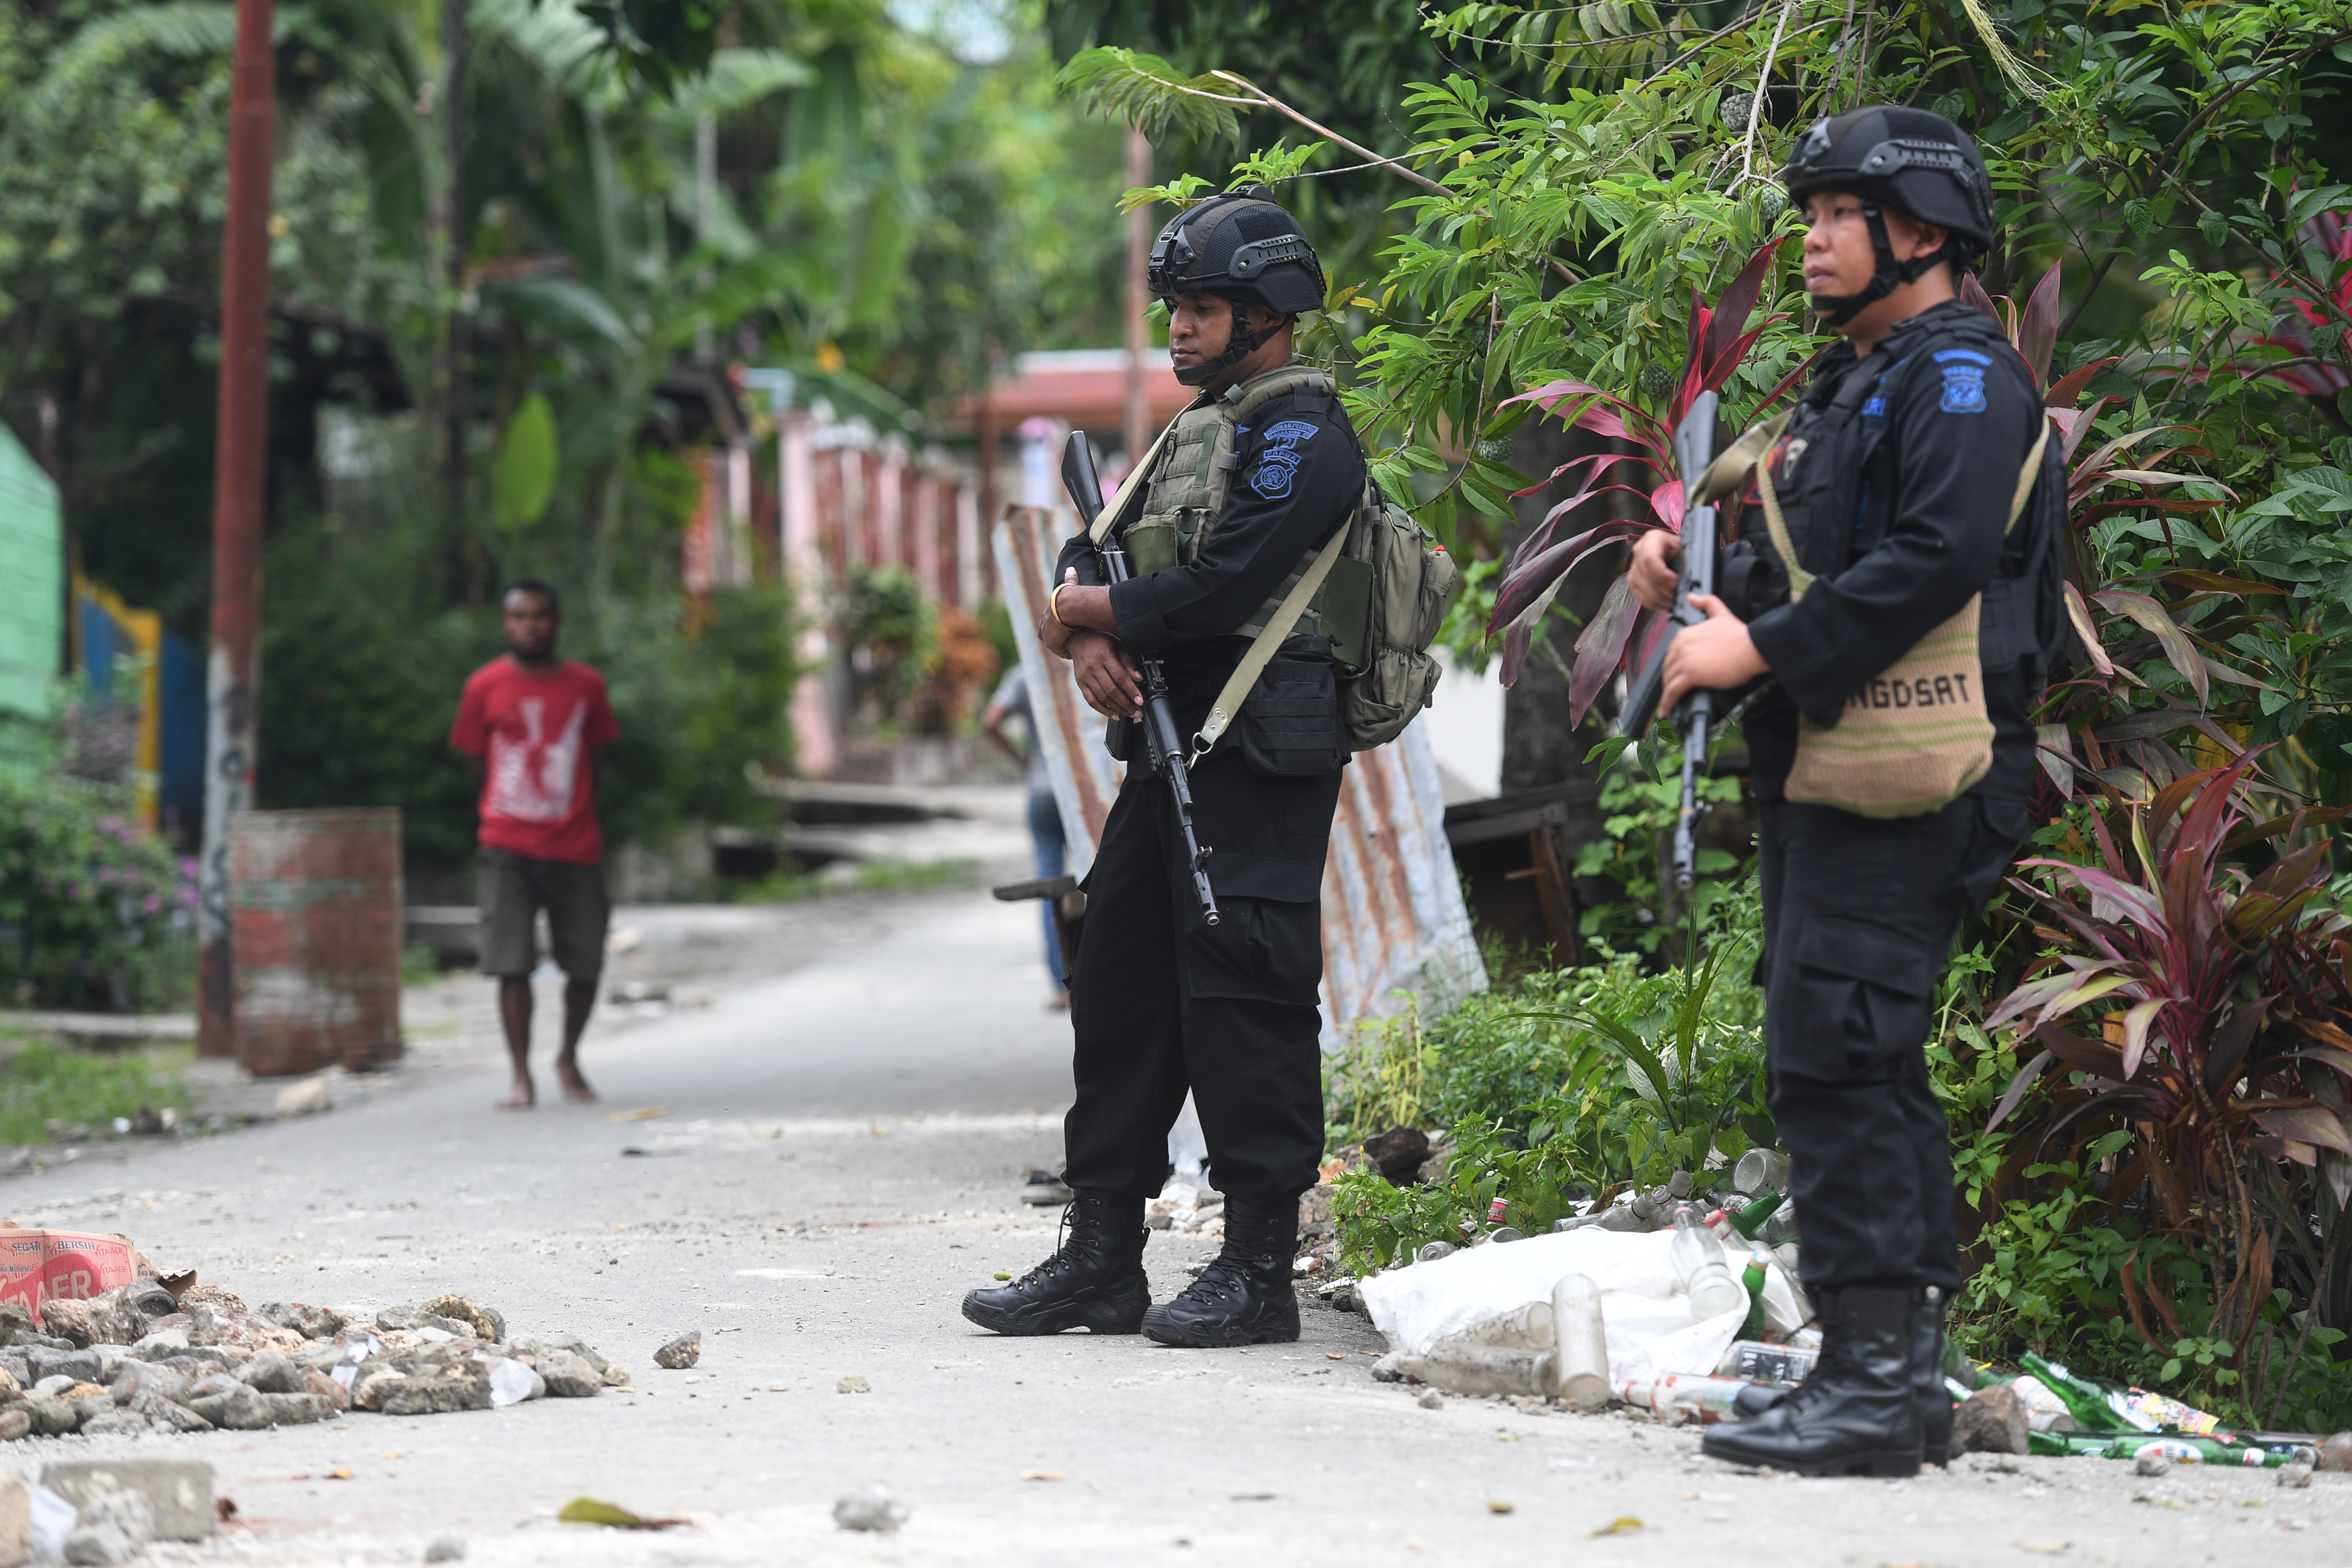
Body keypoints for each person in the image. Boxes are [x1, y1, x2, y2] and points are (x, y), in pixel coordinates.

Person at [1628, 106, 2061, 1476]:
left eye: (1835, 214)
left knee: (1850, 1048)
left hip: (1919, 780)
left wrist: (1752, 646)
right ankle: (1877, 1374)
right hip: (1838, 770)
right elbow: (1816, 567)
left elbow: (1934, 558)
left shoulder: (1961, 385)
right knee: (1832, 1051)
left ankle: (1878, 1392)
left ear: (1919, 233)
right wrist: (1692, 588)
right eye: (1807, 213)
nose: (1808, 238)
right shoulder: (1854, 380)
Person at [961, 185, 1358, 1346]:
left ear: (1265, 311)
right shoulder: (1197, 429)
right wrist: (1084, 624)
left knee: (1246, 995)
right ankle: (1100, 1256)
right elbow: (1094, 541)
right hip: (1169, 750)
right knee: (1120, 983)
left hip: (1258, 753)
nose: (1177, 328)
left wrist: (1095, 610)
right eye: (1174, 306)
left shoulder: (1301, 434)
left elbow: (1224, 584)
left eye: (1202, 307)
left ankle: (1256, 1266)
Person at [449, 580, 620, 1110]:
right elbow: (475, 759)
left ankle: (568, 1055)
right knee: (511, 963)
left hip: (576, 846)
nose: (529, 625)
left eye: (540, 615)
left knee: (586, 963)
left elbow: (597, 755)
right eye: (518, 616)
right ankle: (520, 1075)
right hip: (507, 847)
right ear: (505, 623)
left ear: (556, 621)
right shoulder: (484, 686)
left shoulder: (587, 686)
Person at [979, 661, 1070, 1008]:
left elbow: (990, 721)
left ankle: (1062, 986)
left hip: (1042, 790)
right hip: (1086, 792)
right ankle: (1105, 980)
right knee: (1101, 877)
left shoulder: (1024, 672)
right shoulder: (1095, 657)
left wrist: (1022, 760)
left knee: (1050, 884)